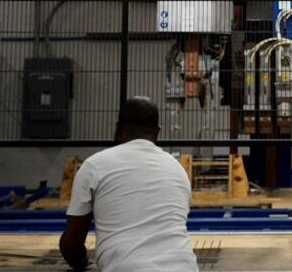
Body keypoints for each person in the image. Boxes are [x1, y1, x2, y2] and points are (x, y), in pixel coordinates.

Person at [59, 97, 198, 272]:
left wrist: (81, 262)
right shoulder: (178, 170)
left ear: (118, 129)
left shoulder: (94, 166)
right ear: (157, 133)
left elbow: (72, 245)